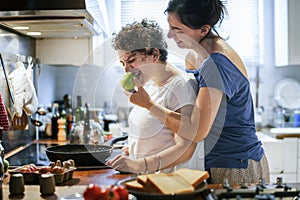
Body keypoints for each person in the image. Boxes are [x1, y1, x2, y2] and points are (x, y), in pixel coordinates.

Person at [125, 0, 270, 184]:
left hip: (235, 166)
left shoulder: (216, 63)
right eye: (170, 27)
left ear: (203, 30)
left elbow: (196, 131)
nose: (170, 35)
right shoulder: (195, 55)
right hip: (212, 163)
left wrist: (149, 105)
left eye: (178, 30)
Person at [106, 19, 204, 173]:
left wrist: (139, 164)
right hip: (148, 182)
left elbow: (186, 148)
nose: (126, 70)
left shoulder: (181, 85)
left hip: (170, 187)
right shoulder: (151, 86)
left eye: (131, 60)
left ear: (154, 54)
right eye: (122, 63)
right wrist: (134, 150)